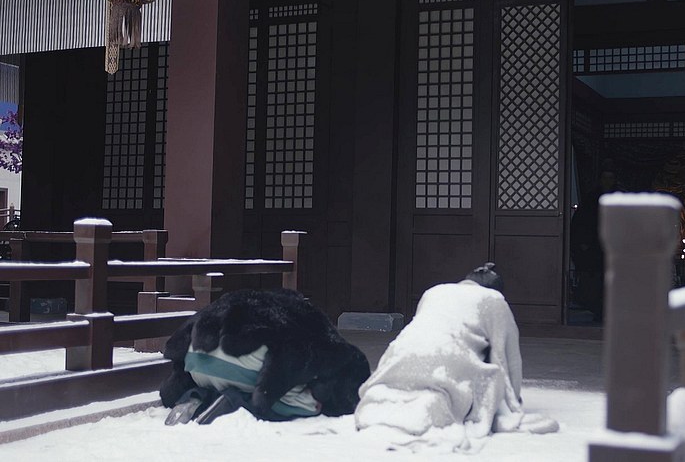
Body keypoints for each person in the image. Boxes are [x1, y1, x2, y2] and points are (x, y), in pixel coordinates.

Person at [354, 263, 559, 452]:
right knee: (441, 393)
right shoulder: (493, 300)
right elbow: (507, 356)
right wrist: (512, 398)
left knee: (393, 389)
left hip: (399, 354)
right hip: (448, 358)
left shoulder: (433, 292)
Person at [159, 288, 371, 425]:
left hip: (196, 360)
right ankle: (234, 402)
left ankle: (196, 396)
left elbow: (176, 344)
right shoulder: (331, 343)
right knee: (308, 403)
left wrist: (174, 386)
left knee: (279, 372)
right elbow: (290, 358)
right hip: (242, 361)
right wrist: (263, 399)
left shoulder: (257, 299)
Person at [570, 164, 618, 323]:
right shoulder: (591, 199)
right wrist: (584, 243)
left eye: (611, 178)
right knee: (595, 282)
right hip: (595, 248)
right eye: (605, 178)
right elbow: (581, 222)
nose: (608, 181)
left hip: (615, 247)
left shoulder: (620, 199)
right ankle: (599, 311)